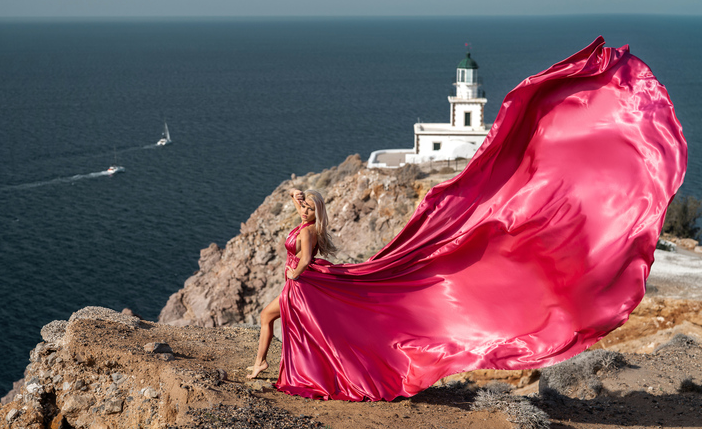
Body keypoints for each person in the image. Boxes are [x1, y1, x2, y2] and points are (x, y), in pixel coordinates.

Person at [264, 37, 686, 401]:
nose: (467, 80)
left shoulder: (309, 232)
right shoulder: (309, 226)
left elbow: (303, 256)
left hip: (305, 280)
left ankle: (302, 365)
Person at [247, 188, 336, 379]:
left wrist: (294, 273)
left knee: (266, 316)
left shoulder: (307, 231)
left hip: (298, 285)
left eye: (309, 209)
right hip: (297, 283)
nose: (304, 211)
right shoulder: (307, 221)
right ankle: (265, 362)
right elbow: (297, 202)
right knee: (302, 328)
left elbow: (305, 259)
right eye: (303, 207)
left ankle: (260, 363)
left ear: (317, 213)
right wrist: (295, 193)